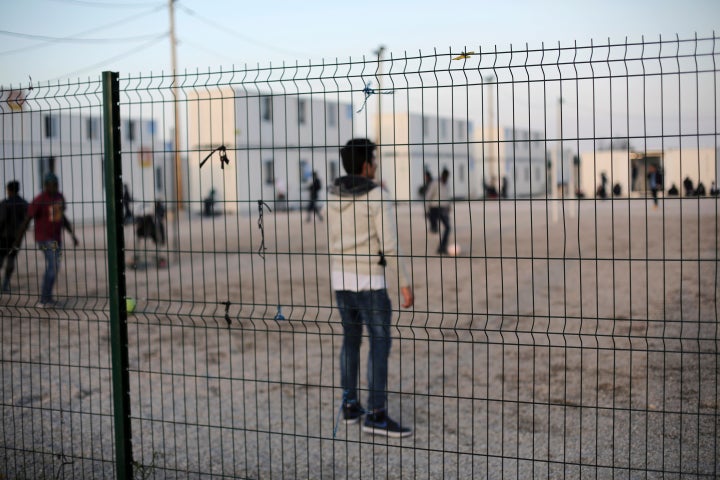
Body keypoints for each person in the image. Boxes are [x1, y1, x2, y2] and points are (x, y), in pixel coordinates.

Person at [328, 138, 414, 438]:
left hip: (340, 280)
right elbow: (389, 244)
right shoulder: (377, 195)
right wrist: (404, 282)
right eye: (374, 161)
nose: (376, 166)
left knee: (350, 341)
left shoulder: (332, 193)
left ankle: (350, 405)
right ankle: (376, 414)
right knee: (379, 343)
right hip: (370, 282)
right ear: (365, 165)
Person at [13, 172, 79, 307]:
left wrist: (72, 234)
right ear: (46, 186)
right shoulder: (39, 200)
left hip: (56, 239)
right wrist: (18, 239)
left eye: (56, 184)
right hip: (43, 239)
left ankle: (47, 298)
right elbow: (27, 220)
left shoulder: (59, 197)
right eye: (52, 185)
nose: (55, 187)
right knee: (53, 265)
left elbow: (62, 218)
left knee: (54, 266)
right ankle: (44, 299)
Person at [0, 181, 28, 292]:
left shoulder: (5, 203)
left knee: (0, 259)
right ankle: (5, 284)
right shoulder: (24, 203)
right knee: (11, 259)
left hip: (3, 237)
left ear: (9, 190)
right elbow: (26, 220)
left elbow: (1, 220)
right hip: (17, 237)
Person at [425, 168, 452, 255]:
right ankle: (434, 229)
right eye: (445, 177)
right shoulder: (435, 183)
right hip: (435, 208)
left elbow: (447, 196)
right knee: (435, 230)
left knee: (448, 228)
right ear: (442, 175)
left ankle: (442, 247)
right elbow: (428, 196)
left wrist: (449, 206)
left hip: (443, 208)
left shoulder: (446, 185)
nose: (445, 178)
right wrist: (426, 210)